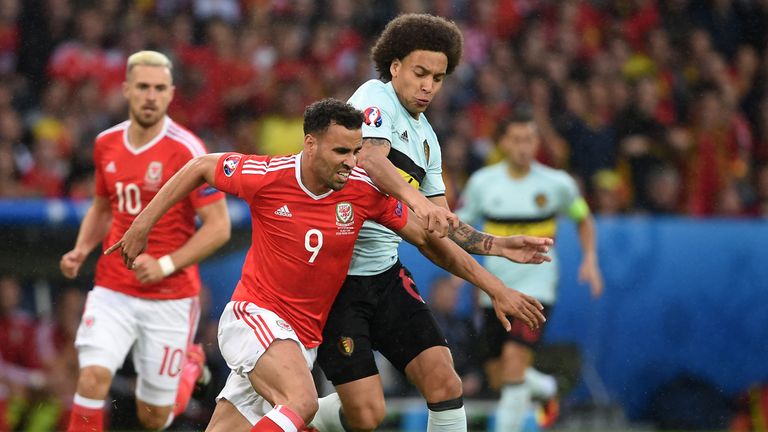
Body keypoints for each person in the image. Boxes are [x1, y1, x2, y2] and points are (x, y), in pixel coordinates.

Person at [106, 98, 550, 432]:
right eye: (341, 151)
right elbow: (201, 166)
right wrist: (143, 224)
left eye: (357, 151)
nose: (352, 163)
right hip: (256, 317)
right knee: (302, 403)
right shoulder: (268, 176)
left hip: (302, 338)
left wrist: (495, 259)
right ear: (310, 143)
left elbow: (428, 237)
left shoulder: (361, 190)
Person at [311, 14, 548, 432]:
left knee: (444, 379)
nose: (428, 87)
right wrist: (417, 200)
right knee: (366, 416)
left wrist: (496, 246)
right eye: (420, 73)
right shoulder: (373, 96)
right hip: (335, 281)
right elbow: (369, 158)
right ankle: (297, 414)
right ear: (396, 66)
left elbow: (440, 229)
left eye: (438, 78)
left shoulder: (427, 143)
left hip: (383, 277)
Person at [58, 50, 230, 431]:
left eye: (158, 88)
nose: (150, 96)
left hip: (170, 296)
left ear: (170, 94)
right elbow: (103, 206)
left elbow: (219, 227)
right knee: (91, 378)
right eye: (142, 88)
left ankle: (190, 364)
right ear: (126, 90)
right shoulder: (106, 143)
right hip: (113, 289)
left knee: (152, 418)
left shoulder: (187, 150)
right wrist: (81, 248)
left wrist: (166, 264)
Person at [456, 111, 604, 431]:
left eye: (530, 139)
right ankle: (547, 390)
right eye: (518, 140)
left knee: (512, 367)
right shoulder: (482, 184)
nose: (525, 147)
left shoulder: (557, 184)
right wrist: (458, 274)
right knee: (499, 376)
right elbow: (459, 227)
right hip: (493, 290)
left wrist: (590, 258)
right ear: (503, 143)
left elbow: (582, 217)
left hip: (537, 286)